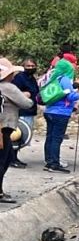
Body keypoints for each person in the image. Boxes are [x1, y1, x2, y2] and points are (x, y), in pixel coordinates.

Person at [0, 58, 35, 203]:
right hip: (4, 128)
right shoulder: (8, 87)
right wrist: (26, 95)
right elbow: (27, 103)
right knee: (4, 160)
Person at [42, 59, 79, 173]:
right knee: (56, 138)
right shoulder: (65, 79)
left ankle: (49, 161)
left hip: (49, 111)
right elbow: (70, 97)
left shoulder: (52, 78)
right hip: (61, 113)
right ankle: (54, 163)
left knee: (49, 137)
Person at [11, 57, 39, 169]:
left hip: (30, 111)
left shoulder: (32, 78)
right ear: (23, 66)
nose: (31, 68)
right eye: (28, 66)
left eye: (33, 66)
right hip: (21, 111)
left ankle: (14, 157)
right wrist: (23, 94)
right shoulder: (19, 78)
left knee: (24, 137)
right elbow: (12, 92)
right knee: (17, 136)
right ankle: (12, 159)